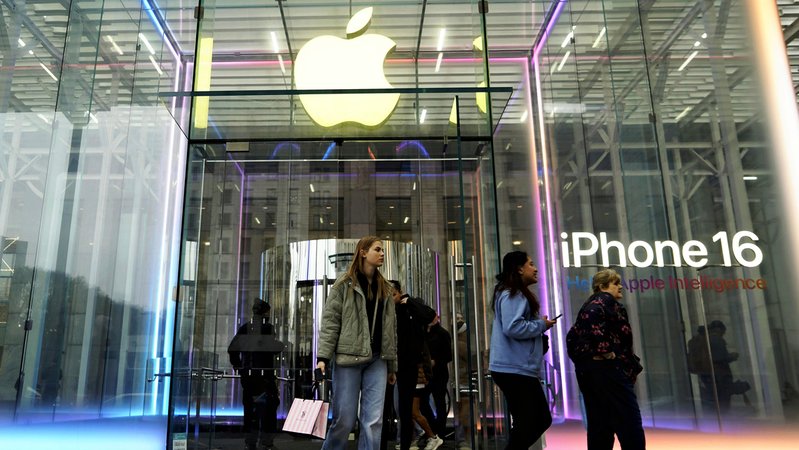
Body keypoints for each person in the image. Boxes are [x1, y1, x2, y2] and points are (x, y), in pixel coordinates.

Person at [317, 236, 398, 450]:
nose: (382, 253)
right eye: (377, 249)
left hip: (377, 360)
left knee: (373, 422)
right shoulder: (344, 284)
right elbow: (330, 321)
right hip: (348, 358)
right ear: (363, 252)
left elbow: (390, 330)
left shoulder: (386, 288)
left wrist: (392, 366)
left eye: (382, 250)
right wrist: (323, 357)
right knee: (344, 420)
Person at [566, 269, 645, 450]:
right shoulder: (603, 304)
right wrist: (608, 353)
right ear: (602, 286)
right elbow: (598, 334)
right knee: (629, 422)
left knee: (600, 425)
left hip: (592, 373)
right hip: (609, 371)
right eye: (615, 283)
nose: (620, 287)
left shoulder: (590, 306)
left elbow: (572, 337)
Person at [489, 251, 556, 450]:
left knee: (529, 421)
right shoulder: (513, 293)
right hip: (515, 369)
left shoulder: (510, 292)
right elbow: (513, 327)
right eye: (531, 264)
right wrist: (541, 325)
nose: (535, 269)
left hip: (515, 368)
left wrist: (538, 324)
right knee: (536, 420)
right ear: (519, 269)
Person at [389, 280, 442, 450]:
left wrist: (409, 301)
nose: (391, 298)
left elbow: (430, 315)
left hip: (412, 367)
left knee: (411, 410)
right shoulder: (390, 312)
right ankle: (419, 438)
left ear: (400, 293)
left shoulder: (410, 309)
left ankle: (428, 437)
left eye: (394, 294)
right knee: (406, 410)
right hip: (397, 366)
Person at [228, 298, 285, 450]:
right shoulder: (267, 329)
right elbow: (271, 348)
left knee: (250, 411)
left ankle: (250, 443)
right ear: (265, 313)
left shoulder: (245, 328)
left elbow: (232, 349)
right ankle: (266, 443)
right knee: (269, 410)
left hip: (249, 377)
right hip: (265, 377)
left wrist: (239, 367)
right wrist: (281, 345)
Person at [420, 316, 452, 438]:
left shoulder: (442, 333)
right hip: (428, 373)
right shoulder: (424, 332)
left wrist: (435, 361)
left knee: (439, 403)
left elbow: (448, 356)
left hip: (439, 373)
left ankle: (439, 431)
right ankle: (434, 428)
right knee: (424, 402)